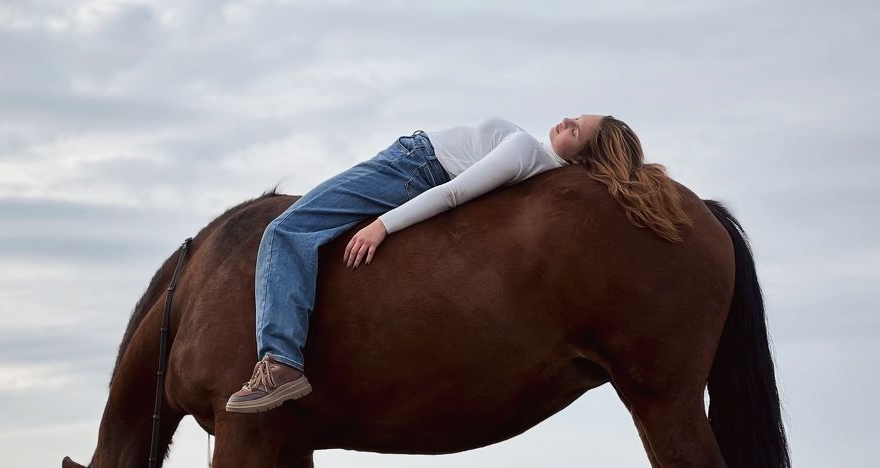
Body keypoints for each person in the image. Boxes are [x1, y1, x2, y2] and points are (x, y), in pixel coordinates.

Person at [226, 114, 689, 413]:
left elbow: (453, 193)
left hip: (411, 165)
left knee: (286, 231)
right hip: (414, 166)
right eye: (575, 118)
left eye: (576, 131)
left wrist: (383, 226)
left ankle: (280, 361)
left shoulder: (524, 150)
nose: (566, 120)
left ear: (581, 157)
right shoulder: (538, 168)